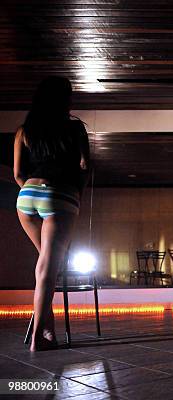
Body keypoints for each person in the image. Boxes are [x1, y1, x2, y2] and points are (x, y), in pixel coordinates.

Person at [13, 77, 90, 351]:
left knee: (47, 266)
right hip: (60, 197)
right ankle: (37, 338)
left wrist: (33, 192)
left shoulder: (25, 130)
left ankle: (48, 330)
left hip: (26, 198)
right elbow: (84, 166)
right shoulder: (75, 128)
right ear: (65, 100)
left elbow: (18, 174)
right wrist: (73, 196)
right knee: (48, 267)